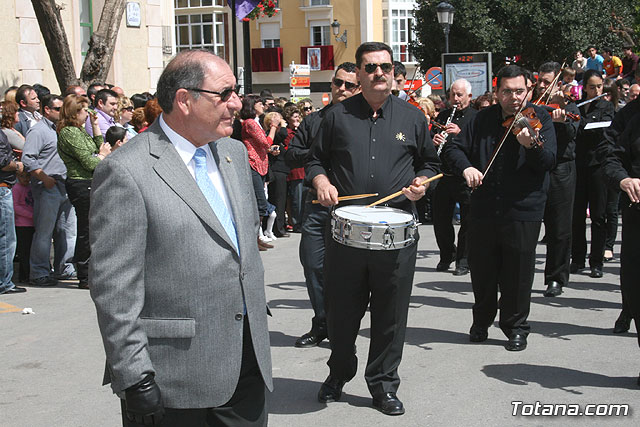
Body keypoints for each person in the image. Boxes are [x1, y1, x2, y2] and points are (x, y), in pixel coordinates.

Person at [89, 49, 272, 426]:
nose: (236, 103)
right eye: (224, 94)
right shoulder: (127, 171)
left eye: (236, 92)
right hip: (173, 379)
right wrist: (135, 375)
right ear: (184, 99)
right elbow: (114, 288)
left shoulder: (233, 154)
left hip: (247, 363)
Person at [307, 42, 440, 415]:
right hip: (346, 235)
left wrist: (423, 182)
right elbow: (315, 160)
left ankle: (383, 384)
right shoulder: (335, 116)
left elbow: (430, 163)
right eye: (370, 67)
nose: (378, 73)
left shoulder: (413, 118)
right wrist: (320, 182)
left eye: (385, 66)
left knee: (390, 314)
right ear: (359, 74)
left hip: (396, 236)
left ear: (394, 72)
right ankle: (339, 371)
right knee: (341, 312)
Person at [442, 64, 557, 352]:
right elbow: (454, 148)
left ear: (528, 90)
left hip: (523, 209)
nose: (514, 97)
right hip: (483, 206)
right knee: (482, 269)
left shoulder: (538, 117)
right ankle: (481, 320)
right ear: (497, 92)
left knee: (517, 272)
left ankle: (516, 327)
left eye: (520, 91)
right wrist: (467, 167)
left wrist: (532, 146)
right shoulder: (482, 119)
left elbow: (548, 162)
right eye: (507, 92)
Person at [285, 62, 360, 349]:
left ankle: (343, 326)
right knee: (313, 265)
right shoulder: (314, 120)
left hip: (350, 208)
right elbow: (292, 155)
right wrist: (317, 152)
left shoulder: (365, 122)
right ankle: (322, 323)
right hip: (316, 206)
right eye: (337, 83)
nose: (341, 89)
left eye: (349, 85)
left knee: (348, 273)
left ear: (359, 88)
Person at [601, 112, 640, 386]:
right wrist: (623, 179)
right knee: (635, 287)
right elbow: (612, 157)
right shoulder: (631, 118)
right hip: (637, 212)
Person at [21, 94, 77, 287]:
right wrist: (44, 178)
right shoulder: (38, 131)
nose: (62, 113)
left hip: (65, 185)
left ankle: (65, 268)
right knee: (44, 233)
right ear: (47, 109)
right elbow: (28, 159)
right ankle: (39, 272)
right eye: (58, 109)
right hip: (48, 186)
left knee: (67, 231)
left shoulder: (63, 130)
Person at [57, 94, 112, 289]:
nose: (87, 114)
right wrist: (101, 156)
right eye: (84, 111)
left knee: (95, 228)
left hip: (91, 181)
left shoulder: (80, 131)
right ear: (75, 112)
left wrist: (95, 126)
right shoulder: (69, 133)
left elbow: (100, 146)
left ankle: (93, 271)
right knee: (86, 230)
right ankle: (84, 273)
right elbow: (89, 161)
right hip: (80, 184)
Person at [535, 62, 580, 297]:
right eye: (540, 80)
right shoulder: (532, 105)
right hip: (535, 168)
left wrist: (563, 120)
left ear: (558, 84)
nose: (541, 85)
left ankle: (556, 277)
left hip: (561, 168)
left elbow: (574, 134)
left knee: (559, 226)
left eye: (546, 82)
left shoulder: (569, 106)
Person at [570, 69, 615, 278]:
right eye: (591, 87)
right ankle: (577, 258)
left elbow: (602, 130)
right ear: (585, 87)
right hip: (578, 165)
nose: (596, 90)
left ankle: (596, 261)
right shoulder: (576, 106)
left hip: (598, 165)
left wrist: (583, 124)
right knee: (577, 214)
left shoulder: (607, 107)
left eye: (599, 86)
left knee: (598, 215)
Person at [431, 78, 477, 276]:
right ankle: (447, 253)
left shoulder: (476, 118)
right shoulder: (442, 116)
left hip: (464, 177)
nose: (455, 99)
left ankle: (464, 260)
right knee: (440, 220)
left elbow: (478, 147)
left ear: (469, 97)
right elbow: (430, 141)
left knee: (467, 221)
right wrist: (434, 140)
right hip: (443, 174)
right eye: (452, 95)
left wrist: (460, 134)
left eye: (459, 95)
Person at [240, 94, 279, 249]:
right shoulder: (250, 123)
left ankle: (257, 237)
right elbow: (264, 142)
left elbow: (264, 146)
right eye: (259, 103)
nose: (263, 105)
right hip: (253, 165)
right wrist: (274, 127)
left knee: (260, 204)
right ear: (252, 105)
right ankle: (254, 238)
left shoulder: (256, 122)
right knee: (260, 203)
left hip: (261, 164)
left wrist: (270, 150)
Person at [0, 129, 26, 294]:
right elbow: (2, 161)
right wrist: (17, 165)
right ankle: (4, 282)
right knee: (6, 239)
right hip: (2, 189)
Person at [12, 171, 34, 284]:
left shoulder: (30, 187)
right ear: (17, 176)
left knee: (31, 251)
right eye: (22, 176)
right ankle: (24, 275)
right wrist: (31, 215)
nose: (25, 179)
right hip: (22, 225)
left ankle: (30, 274)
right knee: (24, 252)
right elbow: (15, 206)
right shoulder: (16, 188)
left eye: (27, 176)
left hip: (32, 224)